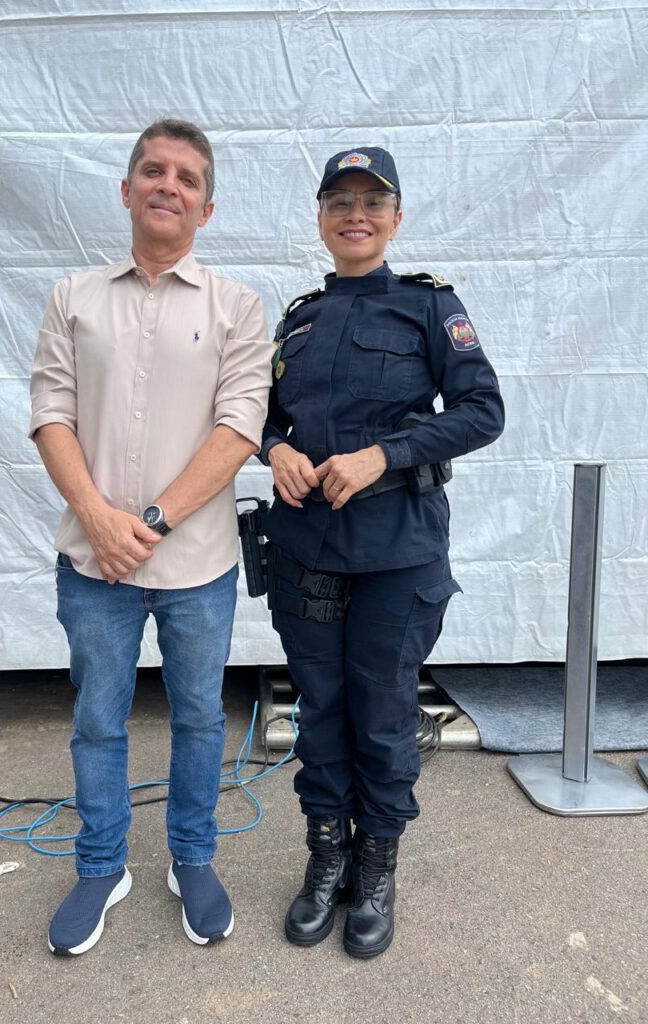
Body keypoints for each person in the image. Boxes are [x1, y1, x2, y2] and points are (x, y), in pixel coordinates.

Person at [29, 119, 271, 955]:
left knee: (201, 716)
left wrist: (154, 522)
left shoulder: (236, 306)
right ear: (126, 190)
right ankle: (102, 867)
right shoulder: (73, 298)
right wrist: (100, 519)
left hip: (197, 564)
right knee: (99, 717)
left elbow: (240, 427)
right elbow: (50, 413)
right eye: (154, 171)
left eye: (188, 178)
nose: (169, 185)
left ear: (206, 208)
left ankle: (191, 860)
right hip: (93, 563)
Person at [261, 147, 504, 959]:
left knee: (385, 708)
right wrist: (274, 451)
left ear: (396, 218)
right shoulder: (298, 316)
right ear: (322, 218)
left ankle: (377, 866)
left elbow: (482, 411)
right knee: (321, 708)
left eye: (373, 201)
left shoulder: (430, 306)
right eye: (340, 201)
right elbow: (260, 415)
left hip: (398, 550)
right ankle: (326, 856)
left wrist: (384, 456)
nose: (355, 214)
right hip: (306, 551)